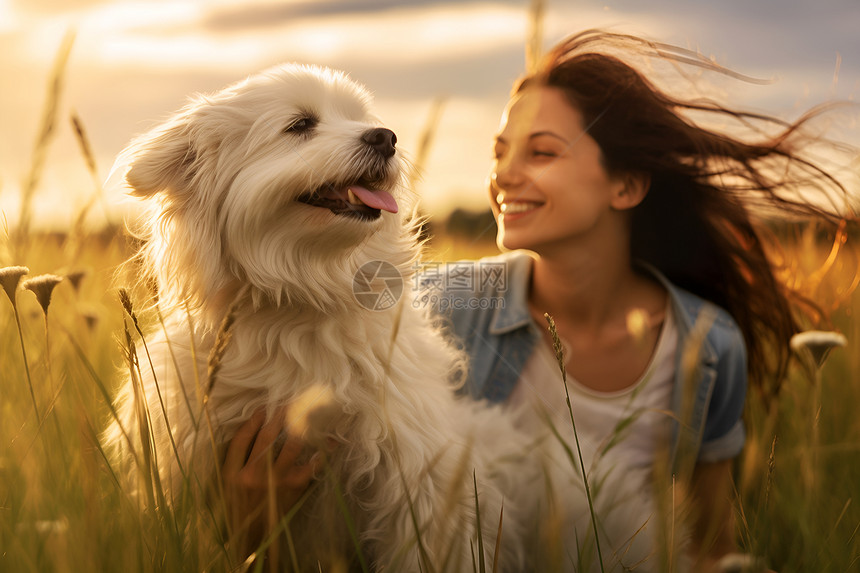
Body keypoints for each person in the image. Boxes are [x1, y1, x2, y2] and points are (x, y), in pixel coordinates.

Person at [223, 30, 854, 572]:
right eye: (500, 153)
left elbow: (710, 549)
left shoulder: (709, 345)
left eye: (541, 153)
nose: (504, 176)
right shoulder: (436, 302)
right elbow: (292, 297)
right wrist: (250, 518)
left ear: (627, 185)